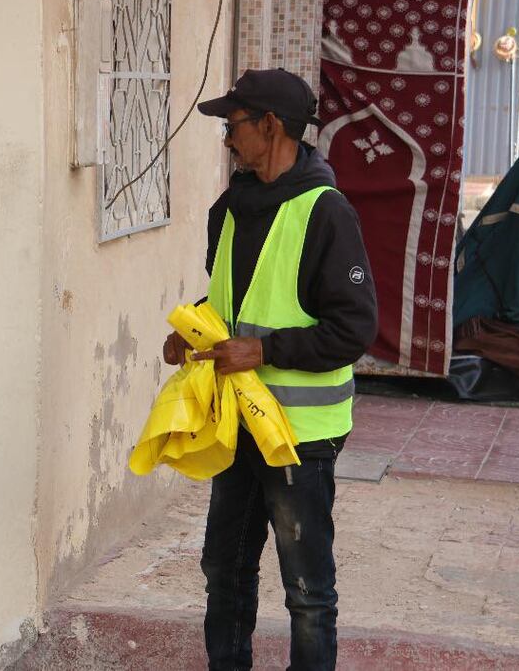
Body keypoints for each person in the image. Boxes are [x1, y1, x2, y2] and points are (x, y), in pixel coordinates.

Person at [163, 68, 378, 671]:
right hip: (237, 423)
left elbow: (354, 328)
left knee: (307, 591)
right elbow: (232, 301)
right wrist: (194, 330)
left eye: (233, 125)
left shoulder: (326, 212)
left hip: (300, 437)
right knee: (224, 571)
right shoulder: (232, 206)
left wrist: (261, 352)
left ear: (270, 125)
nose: (227, 138)